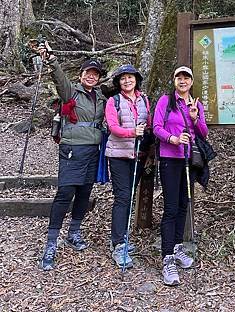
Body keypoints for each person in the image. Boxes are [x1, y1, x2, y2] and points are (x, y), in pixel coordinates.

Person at [38, 42, 106, 271]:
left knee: (85, 193)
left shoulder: (100, 96)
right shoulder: (71, 92)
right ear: (81, 75)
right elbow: (59, 79)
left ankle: (74, 232)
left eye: (95, 74)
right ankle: (51, 243)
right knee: (65, 192)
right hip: (71, 149)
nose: (91, 77)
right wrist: (51, 59)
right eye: (88, 73)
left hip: (92, 151)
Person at [152, 66, 208, 286]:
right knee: (171, 208)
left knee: (184, 205)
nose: (182, 81)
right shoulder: (166, 101)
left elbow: (203, 133)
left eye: (186, 78)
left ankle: (176, 248)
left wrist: (195, 118)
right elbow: (156, 127)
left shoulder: (196, 104)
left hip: (189, 161)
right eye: (179, 77)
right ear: (174, 81)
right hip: (170, 159)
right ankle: (167, 258)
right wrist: (172, 139)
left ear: (192, 81)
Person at [105, 64, 151, 269]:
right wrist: (133, 132)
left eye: (130, 77)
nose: (127, 81)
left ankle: (123, 238)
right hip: (119, 156)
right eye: (123, 78)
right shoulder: (113, 101)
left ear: (136, 80)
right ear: (118, 82)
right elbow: (113, 128)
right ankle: (118, 244)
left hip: (138, 155)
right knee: (122, 197)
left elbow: (148, 124)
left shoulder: (144, 100)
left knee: (130, 195)